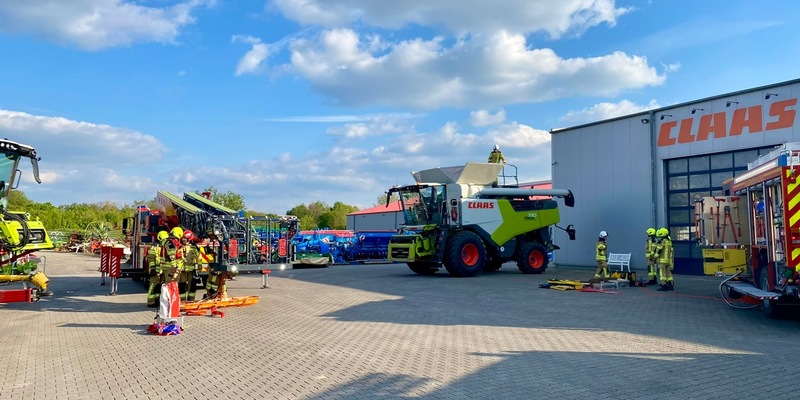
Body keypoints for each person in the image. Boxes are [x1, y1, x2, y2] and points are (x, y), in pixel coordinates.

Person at [145, 230, 168, 307]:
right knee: (153, 285)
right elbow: (151, 259)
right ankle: (151, 302)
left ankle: (157, 300)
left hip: (162, 270)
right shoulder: (154, 247)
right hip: (155, 270)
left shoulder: (164, 246)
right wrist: (153, 268)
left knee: (159, 286)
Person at [178, 230, 202, 301]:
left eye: (185, 238)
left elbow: (199, 257)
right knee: (181, 286)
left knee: (192, 286)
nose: (183, 239)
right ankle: (182, 300)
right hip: (182, 271)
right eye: (182, 238)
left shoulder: (194, 248)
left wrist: (199, 266)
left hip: (192, 271)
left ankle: (191, 300)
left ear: (189, 239)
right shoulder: (179, 246)